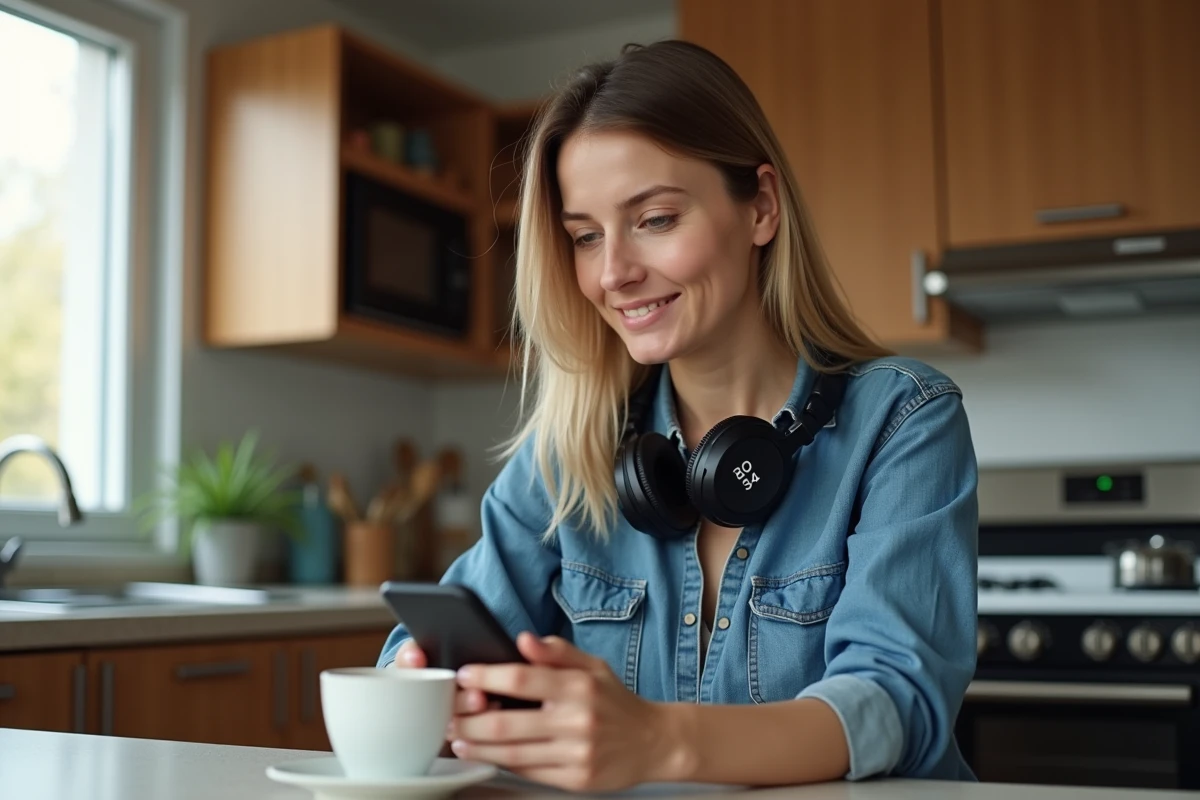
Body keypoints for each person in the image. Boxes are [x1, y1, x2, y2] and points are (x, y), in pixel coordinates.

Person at [378, 39, 978, 791]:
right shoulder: (574, 446)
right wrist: (426, 689)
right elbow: (424, 644)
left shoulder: (901, 420)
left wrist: (661, 738)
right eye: (585, 236)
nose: (612, 273)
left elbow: (896, 702)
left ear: (760, 206)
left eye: (655, 219)